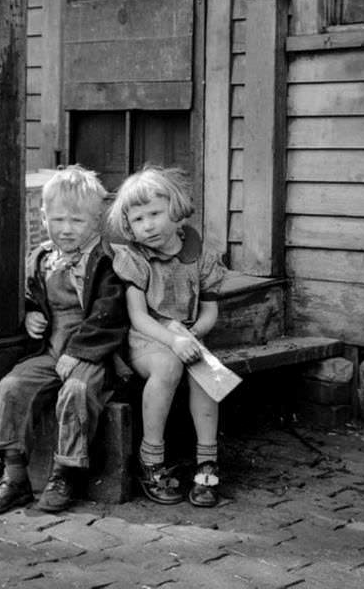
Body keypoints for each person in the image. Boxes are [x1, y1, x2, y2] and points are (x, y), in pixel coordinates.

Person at [0, 164, 128, 516]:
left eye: (77, 221)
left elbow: (110, 315)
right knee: (12, 386)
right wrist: (30, 314)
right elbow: (31, 296)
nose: (66, 229)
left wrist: (78, 353)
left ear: (97, 220)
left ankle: (65, 473)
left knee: (75, 393)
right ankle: (14, 476)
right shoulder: (43, 259)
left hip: (94, 357)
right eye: (58, 220)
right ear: (44, 218)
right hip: (50, 351)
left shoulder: (105, 262)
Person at [108, 165, 227, 507]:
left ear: (175, 211)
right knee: (169, 367)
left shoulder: (199, 255)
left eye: (155, 214)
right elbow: (138, 317)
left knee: (207, 374)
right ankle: (151, 460)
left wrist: (192, 336)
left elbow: (209, 311)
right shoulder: (136, 260)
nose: (148, 225)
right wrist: (173, 341)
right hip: (147, 340)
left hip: (187, 334)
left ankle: (207, 462)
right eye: (138, 219)